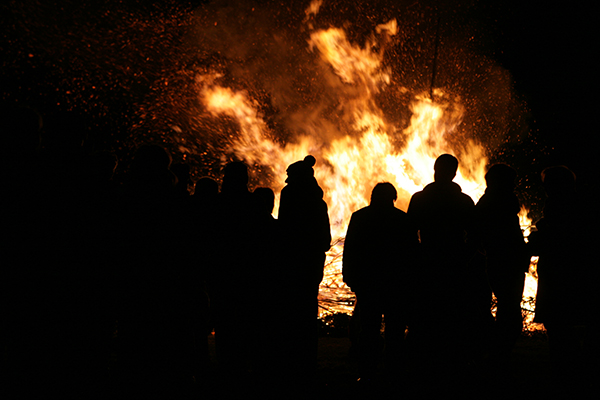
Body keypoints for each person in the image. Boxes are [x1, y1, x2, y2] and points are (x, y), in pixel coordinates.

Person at [406, 154, 478, 369]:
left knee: (426, 310)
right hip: (454, 262)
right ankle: (453, 357)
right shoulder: (463, 201)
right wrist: (465, 254)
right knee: (453, 310)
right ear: (454, 174)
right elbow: (475, 234)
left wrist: (417, 253)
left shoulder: (420, 199)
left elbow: (409, 232)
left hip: (428, 260)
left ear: (435, 170)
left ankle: (422, 357)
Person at [343, 182, 418, 381]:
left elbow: (350, 249)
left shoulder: (360, 217)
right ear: (393, 198)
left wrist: (349, 275)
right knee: (395, 329)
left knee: (369, 328)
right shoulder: (402, 219)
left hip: (369, 282)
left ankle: (367, 372)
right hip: (395, 283)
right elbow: (412, 253)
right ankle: (393, 372)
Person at [278, 155, 331, 385]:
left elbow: (283, 231)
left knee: (290, 310)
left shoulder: (289, 196)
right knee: (307, 310)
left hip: (291, 263)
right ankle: (307, 359)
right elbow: (325, 240)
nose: (287, 181)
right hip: (310, 264)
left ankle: (290, 358)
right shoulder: (318, 203)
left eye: (290, 177)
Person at [475, 164, 530, 368]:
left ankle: (497, 354)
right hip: (505, 262)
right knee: (509, 311)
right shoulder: (498, 204)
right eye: (510, 182)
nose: (514, 186)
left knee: (508, 309)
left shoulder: (490, 203)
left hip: (504, 261)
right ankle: (498, 355)